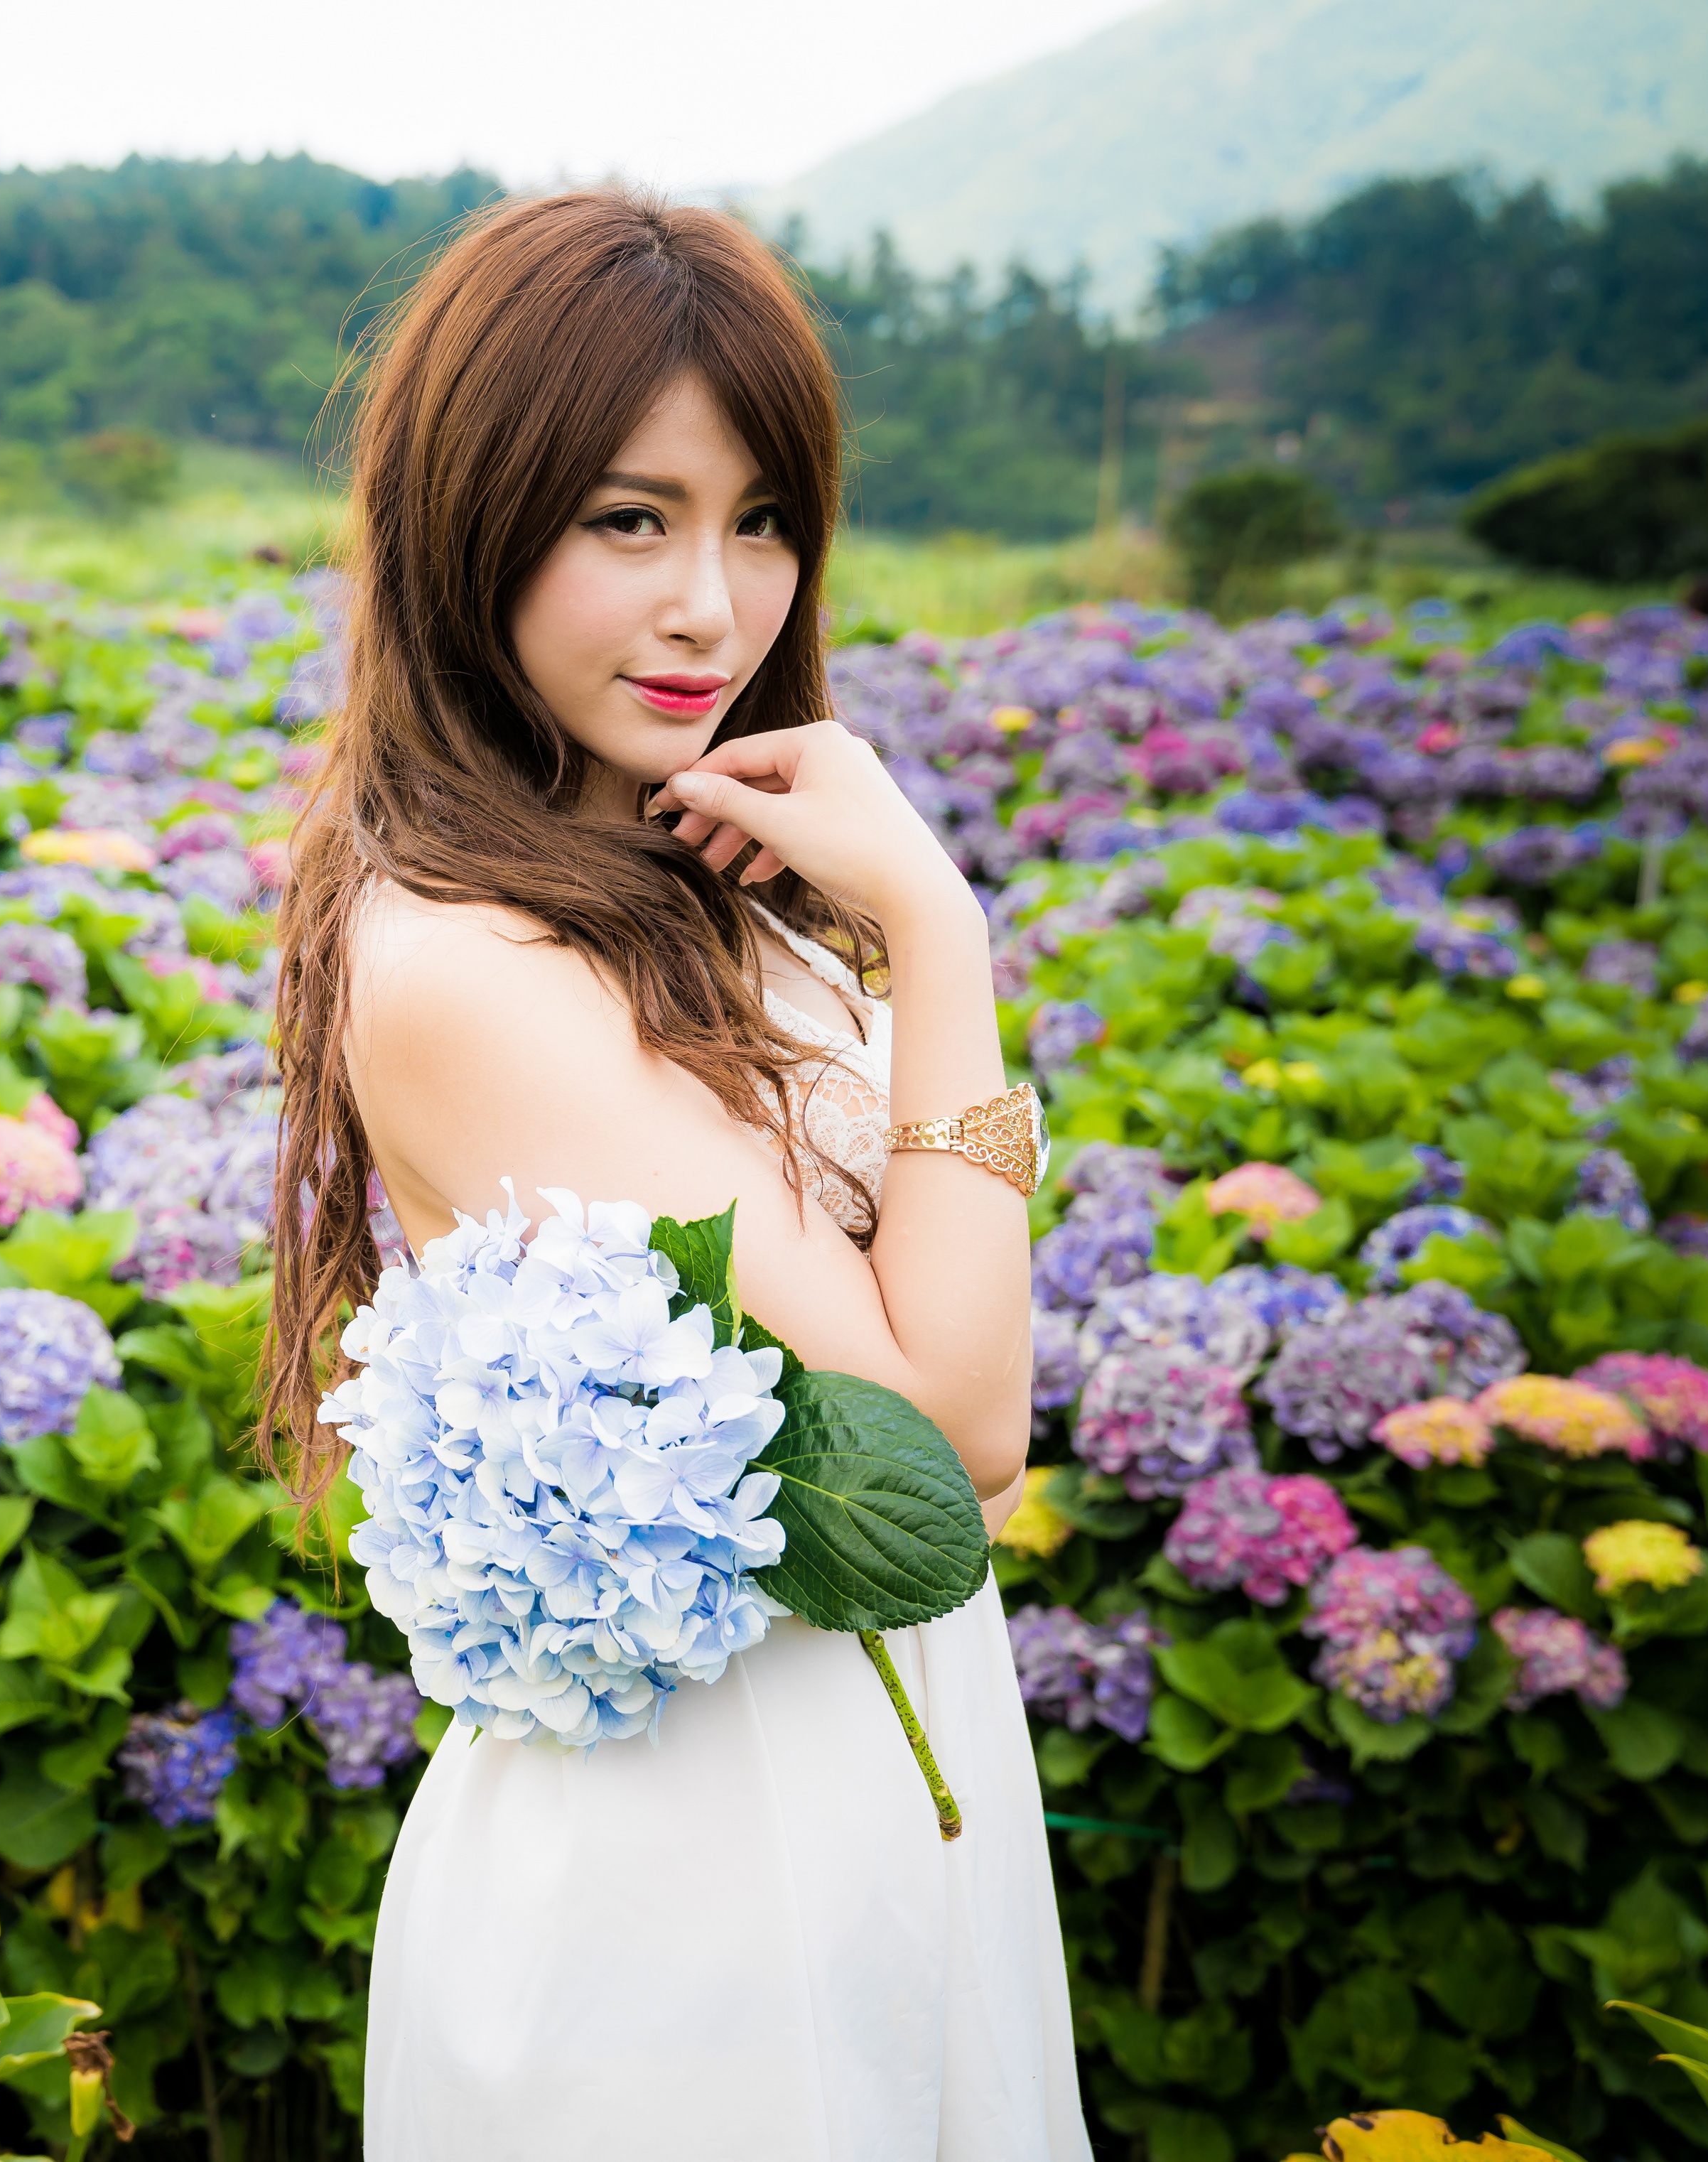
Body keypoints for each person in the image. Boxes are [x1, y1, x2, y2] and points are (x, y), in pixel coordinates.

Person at [264, 190, 1087, 2157]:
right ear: (475, 519)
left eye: (760, 518)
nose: (715, 606)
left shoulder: (680, 875)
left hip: (861, 1803)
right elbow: (956, 1428)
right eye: (628, 519)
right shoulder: (471, 962)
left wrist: (871, 930)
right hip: (693, 1897)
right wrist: (941, 937)